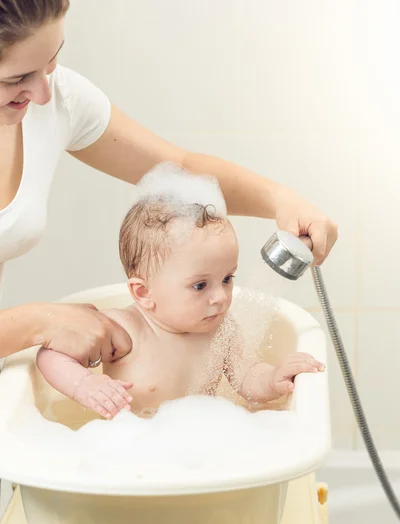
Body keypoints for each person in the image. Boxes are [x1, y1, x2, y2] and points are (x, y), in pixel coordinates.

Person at [0, 0, 337, 371]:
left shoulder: (55, 97)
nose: (44, 93)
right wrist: (38, 322)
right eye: (16, 79)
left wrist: (281, 201)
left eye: (52, 60)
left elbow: (182, 168)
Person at [36, 163, 325, 419]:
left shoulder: (221, 332)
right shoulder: (123, 331)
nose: (221, 297)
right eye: (200, 285)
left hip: (192, 447)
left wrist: (274, 378)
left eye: (227, 278)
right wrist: (83, 384)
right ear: (143, 294)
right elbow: (51, 354)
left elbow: (248, 378)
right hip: (130, 450)